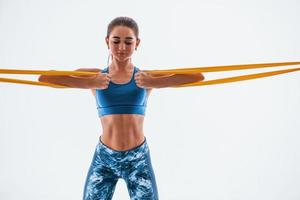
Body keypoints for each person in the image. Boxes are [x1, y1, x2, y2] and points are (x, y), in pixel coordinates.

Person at [38, 16, 205, 200]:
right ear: (107, 41)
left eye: (128, 41)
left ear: (137, 43)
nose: (122, 47)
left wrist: (155, 82)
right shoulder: (94, 75)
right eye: (116, 41)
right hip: (105, 159)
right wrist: (88, 82)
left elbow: (197, 76)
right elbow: (45, 78)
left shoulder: (145, 76)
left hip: (138, 159)